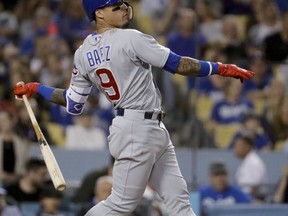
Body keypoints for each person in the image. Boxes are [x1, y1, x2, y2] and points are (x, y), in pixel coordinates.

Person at [13, 0, 255, 215]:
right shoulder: (131, 37)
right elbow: (178, 65)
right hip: (136, 128)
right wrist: (221, 68)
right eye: (115, 6)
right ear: (99, 14)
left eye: (123, 3)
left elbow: (73, 103)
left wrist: (36, 88)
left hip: (148, 128)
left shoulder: (83, 52)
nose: (124, 8)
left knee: (179, 203)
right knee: (120, 204)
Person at [234, 135, 268, 200]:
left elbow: (254, 187)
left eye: (238, 146)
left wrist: (246, 201)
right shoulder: (246, 161)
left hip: (254, 200)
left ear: (247, 147)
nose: (235, 149)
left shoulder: (254, 162)